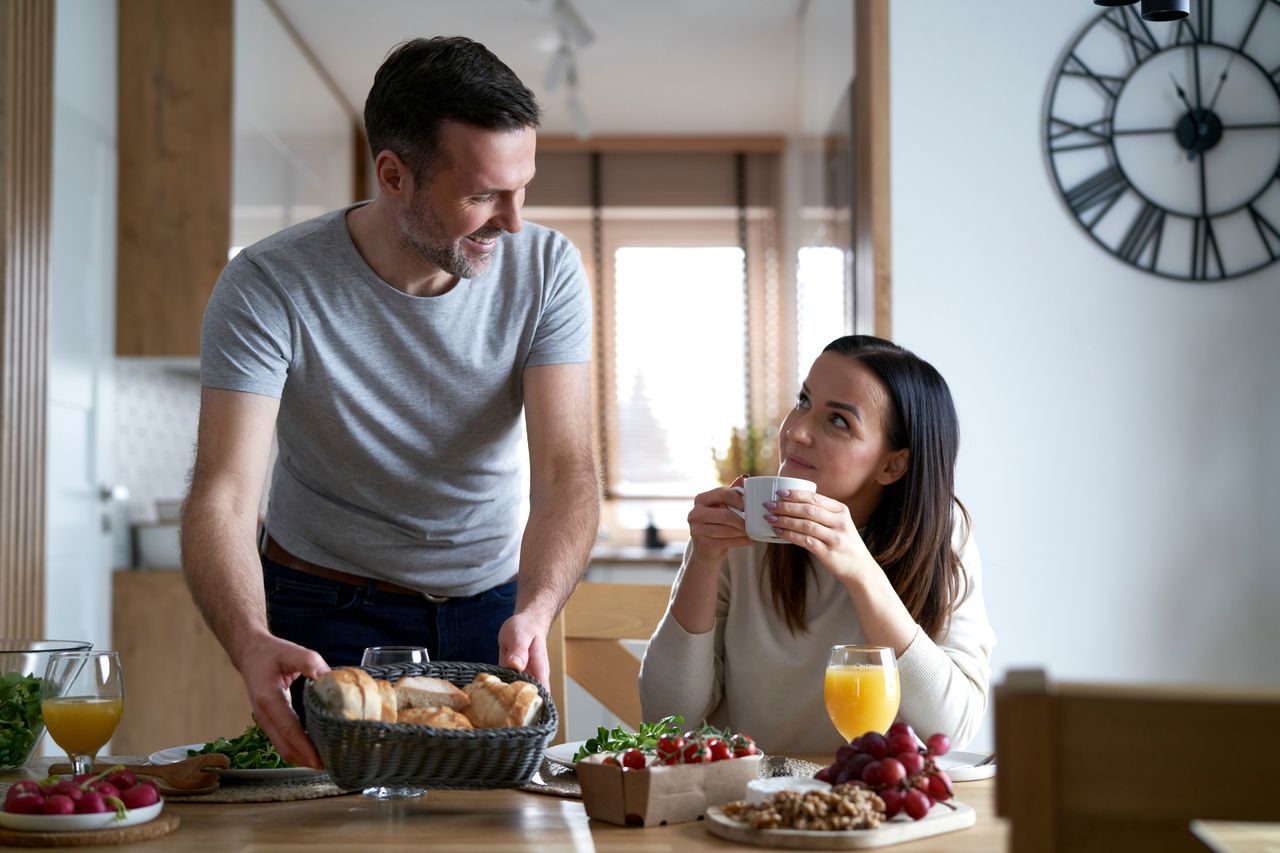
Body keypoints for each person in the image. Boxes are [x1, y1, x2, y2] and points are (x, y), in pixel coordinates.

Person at [181, 36, 599, 768]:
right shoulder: (269, 283)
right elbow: (223, 491)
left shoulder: (547, 269)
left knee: (489, 831)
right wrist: (249, 637)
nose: (514, 221)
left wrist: (535, 605)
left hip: (492, 606)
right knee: (329, 827)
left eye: (522, 186)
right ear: (394, 175)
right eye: (483, 194)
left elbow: (567, 470)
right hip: (324, 607)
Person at [638, 335, 995, 754]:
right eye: (804, 400)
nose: (796, 431)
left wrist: (862, 573)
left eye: (839, 421)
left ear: (893, 464)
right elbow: (666, 720)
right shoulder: (750, 523)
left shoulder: (940, 535)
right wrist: (703, 559)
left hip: (869, 806)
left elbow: (952, 730)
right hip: (744, 803)